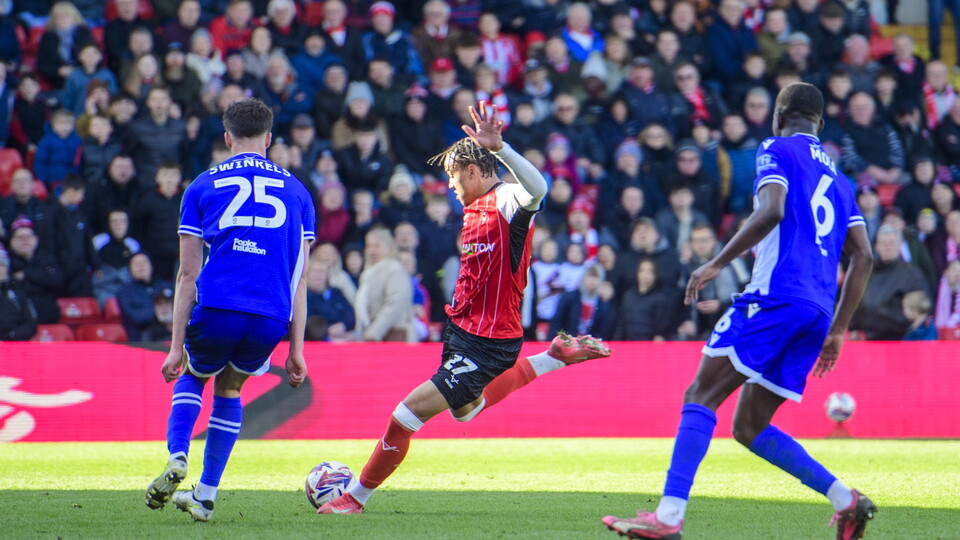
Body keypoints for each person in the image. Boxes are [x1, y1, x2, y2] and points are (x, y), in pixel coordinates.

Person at [602, 83, 877, 540]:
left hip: (775, 295)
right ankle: (846, 501)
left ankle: (668, 517)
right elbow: (864, 256)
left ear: (779, 114)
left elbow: (770, 210)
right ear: (820, 124)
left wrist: (715, 262)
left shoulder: (776, 148)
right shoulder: (843, 181)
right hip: (818, 311)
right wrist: (839, 329)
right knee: (749, 426)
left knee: (700, 394)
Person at [316, 102, 611, 515]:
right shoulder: (472, 210)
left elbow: (538, 189)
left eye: (453, 178)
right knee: (466, 412)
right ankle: (553, 358)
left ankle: (354, 499)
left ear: (473, 171)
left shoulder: (506, 200)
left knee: (403, 417)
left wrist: (502, 149)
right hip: (463, 333)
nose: (451, 187)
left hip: (488, 341)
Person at [145, 99, 316, 522]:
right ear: (270, 139)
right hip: (271, 316)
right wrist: (296, 350)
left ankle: (179, 454)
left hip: (219, 304)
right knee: (231, 389)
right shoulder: (298, 192)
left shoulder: (202, 185)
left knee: (192, 374)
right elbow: (301, 279)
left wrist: (174, 346)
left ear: (227, 138)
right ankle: (204, 495)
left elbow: (187, 275)